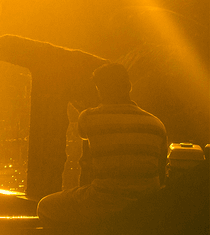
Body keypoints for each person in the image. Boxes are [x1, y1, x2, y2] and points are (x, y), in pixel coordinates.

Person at [37, 62, 168, 223]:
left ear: (99, 89)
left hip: (103, 201)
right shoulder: (156, 124)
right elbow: (161, 170)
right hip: (145, 205)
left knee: (44, 206)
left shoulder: (89, 117)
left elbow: (83, 134)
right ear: (129, 86)